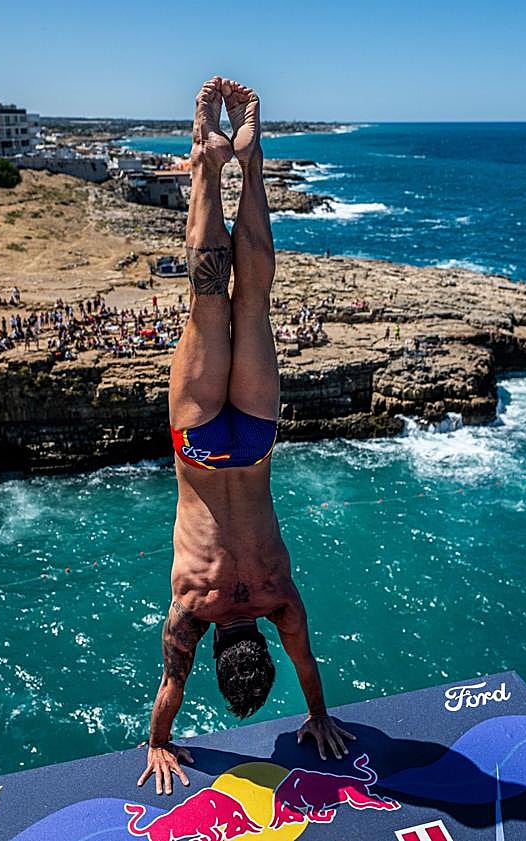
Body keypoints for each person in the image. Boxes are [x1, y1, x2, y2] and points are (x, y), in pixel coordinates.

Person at [138, 78, 353, 796]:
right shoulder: (191, 611)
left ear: (256, 639)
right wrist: (158, 746)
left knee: (250, 301)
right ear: (220, 648)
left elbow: (308, 668)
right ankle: (205, 156)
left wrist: (318, 714)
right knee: (207, 303)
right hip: (200, 445)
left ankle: (248, 163)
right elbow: (168, 692)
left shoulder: (279, 599)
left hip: (255, 440)